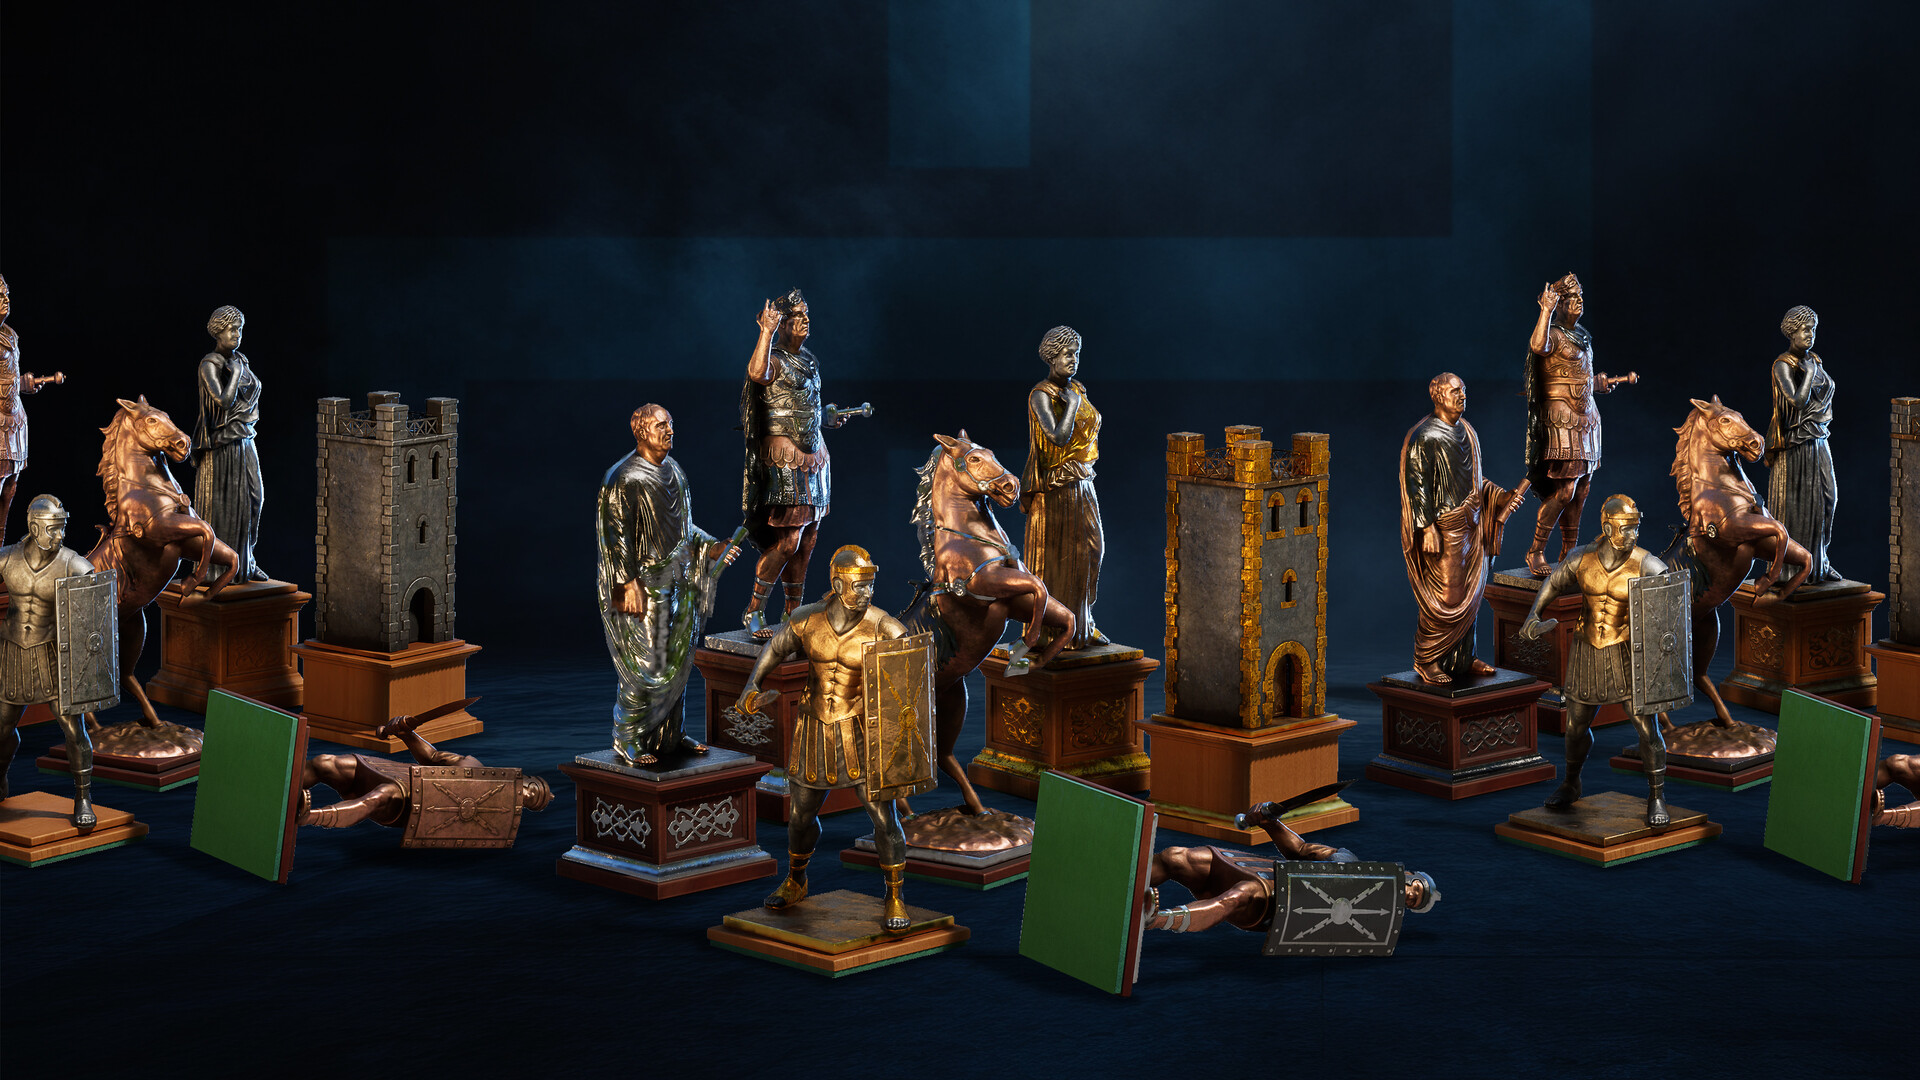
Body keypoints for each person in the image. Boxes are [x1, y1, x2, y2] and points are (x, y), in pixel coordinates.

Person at [736, 545, 934, 934]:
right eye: (860, 586)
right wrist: (751, 685)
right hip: (813, 728)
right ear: (838, 584)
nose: (868, 593)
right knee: (800, 815)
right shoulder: (807, 620)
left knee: (884, 818)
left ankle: (895, 894)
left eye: (871, 585)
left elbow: (911, 679)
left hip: (861, 733)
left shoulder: (884, 627)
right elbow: (776, 647)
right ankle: (796, 879)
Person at [598, 404, 738, 767]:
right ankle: (627, 736)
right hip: (644, 586)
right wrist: (625, 584)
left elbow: (684, 528)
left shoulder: (675, 471)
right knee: (647, 666)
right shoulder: (623, 478)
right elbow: (614, 539)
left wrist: (712, 547)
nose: (670, 431)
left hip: (679, 581)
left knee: (678, 661)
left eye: (671, 424)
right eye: (662, 425)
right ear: (642, 431)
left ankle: (670, 735)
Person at [1520, 494, 1672, 826]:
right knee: (1575, 726)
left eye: (1636, 528)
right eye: (1626, 529)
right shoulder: (1581, 558)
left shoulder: (1647, 565)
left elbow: (1671, 607)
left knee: (1647, 729)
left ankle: (1657, 795)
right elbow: (1553, 583)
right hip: (1586, 650)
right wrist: (1534, 614)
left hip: (1626, 653)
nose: (1633, 535)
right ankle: (1571, 783)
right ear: (1607, 528)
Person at [737, 289, 865, 637]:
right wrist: (765, 332)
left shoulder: (809, 359)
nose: (805, 320)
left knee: (808, 539)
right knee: (788, 541)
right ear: (782, 323)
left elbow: (803, 406)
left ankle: (793, 613)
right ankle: (754, 610)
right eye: (796, 316)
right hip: (784, 456)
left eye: (806, 314)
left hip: (815, 458)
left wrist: (827, 418)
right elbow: (757, 373)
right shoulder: (773, 358)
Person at [1399, 373, 1529, 684]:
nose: (1462, 396)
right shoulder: (1425, 436)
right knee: (1445, 598)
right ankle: (1427, 659)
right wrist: (1427, 528)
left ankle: (1464, 658)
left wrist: (1500, 497)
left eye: (1464, 390)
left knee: (1471, 596)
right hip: (1445, 530)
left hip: (1472, 527)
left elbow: (1475, 480)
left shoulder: (1468, 431)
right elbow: (1417, 487)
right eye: (1455, 391)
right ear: (1438, 395)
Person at [1145, 800, 1439, 934]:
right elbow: (1298, 850)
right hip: (1262, 871)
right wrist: (1270, 822)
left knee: (1237, 896)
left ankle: (1154, 919)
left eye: (1413, 901)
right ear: (1407, 875)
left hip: (1272, 904)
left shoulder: (1372, 922)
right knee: (1177, 857)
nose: (1410, 895)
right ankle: (1133, 879)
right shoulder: (1346, 860)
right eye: (1414, 888)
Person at [1521, 274, 1637, 576]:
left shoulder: (1583, 335)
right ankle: (1536, 551)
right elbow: (1537, 346)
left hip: (1587, 418)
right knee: (1565, 490)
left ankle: (1569, 551)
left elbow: (1580, 376)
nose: (1579, 301)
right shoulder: (1552, 333)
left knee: (1582, 489)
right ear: (1559, 303)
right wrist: (1545, 311)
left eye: (1580, 296)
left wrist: (1597, 384)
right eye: (1572, 297)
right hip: (1562, 417)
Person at [0, 496, 101, 828]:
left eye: (62, 528)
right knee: (2, 729)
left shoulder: (73, 565)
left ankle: (83, 797)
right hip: (13, 654)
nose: (60, 536)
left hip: (53, 656)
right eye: (53, 529)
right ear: (34, 528)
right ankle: (0, 778)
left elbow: (95, 613)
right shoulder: (7, 558)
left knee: (74, 730)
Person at [297, 709, 553, 830]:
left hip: (409, 802)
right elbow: (431, 757)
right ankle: (287, 784)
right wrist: (407, 734)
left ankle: (308, 817)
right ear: (522, 778)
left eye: (530, 800)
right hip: (399, 774)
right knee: (326, 763)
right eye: (530, 789)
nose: (525, 794)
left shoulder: (489, 817)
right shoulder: (471, 765)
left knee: (379, 796)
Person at [1020, 325, 1107, 650]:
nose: (1073, 359)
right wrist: (1070, 405)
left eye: (1076, 354)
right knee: (1059, 559)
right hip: (1056, 489)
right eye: (1067, 354)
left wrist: (1074, 399)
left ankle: (1083, 624)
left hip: (1082, 480)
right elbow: (1057, 437)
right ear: (1051, 356)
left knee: (1091, 551)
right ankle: (1055, 631)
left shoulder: (1078, 388)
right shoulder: (1041, 395)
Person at [1765, 305, 1841, 583]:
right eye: (1805, 329)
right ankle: (1793, 569)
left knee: (1828, 498)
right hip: (1795, 444)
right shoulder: (1783, 365)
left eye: (1813, 329)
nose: (1810, 334)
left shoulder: (1814, 359)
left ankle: (1820, 560)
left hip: (1818, 438)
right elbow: (1797, 401)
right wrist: (1808, 374)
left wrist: (1811, 369)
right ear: (1791, 332)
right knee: (1796, 505)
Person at [191, 305, 267, 582]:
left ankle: (247, 560)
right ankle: (218, 568)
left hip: (244, 438)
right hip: (221, 444)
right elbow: (224, 401)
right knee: (222, 505)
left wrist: (237, 369)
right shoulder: (209, 365)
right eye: (231, 329)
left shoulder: (241, 359)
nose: (237, 334)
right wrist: (234, 374)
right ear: (218, 332)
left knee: (255, 498)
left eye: (240, 329)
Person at [0, 276, 65, 543]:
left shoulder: (9, 335)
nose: (5, 300)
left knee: (9, 490)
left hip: (13, 422)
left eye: (6, 294)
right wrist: (17, 383)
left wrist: (23, 386)